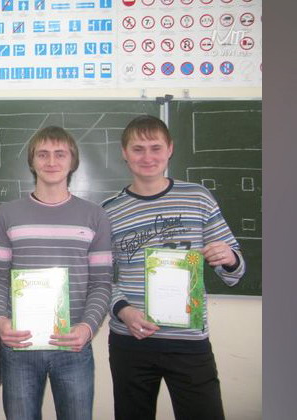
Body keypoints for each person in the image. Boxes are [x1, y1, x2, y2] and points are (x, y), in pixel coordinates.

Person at [102, 115, 246, 420]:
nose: (148, 157)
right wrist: (123, 311)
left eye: (156, 148)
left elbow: (235, 274)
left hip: (189, 341)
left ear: (170, 149)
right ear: (124, 153)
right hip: (131, 340)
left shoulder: (198, 198)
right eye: (138, 149)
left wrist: (229, 258)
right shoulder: (109, 211)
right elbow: (101, 278)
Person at [0, 126, 113, 420]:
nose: (51, 161)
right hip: (20, 345)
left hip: (73, 346)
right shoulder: (7, 213)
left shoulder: (95, 216)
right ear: (32, 161)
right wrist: (1, 321)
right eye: (42, 154)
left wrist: (87, 327)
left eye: (60, 154)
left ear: (73, 161)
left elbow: (102, 283)